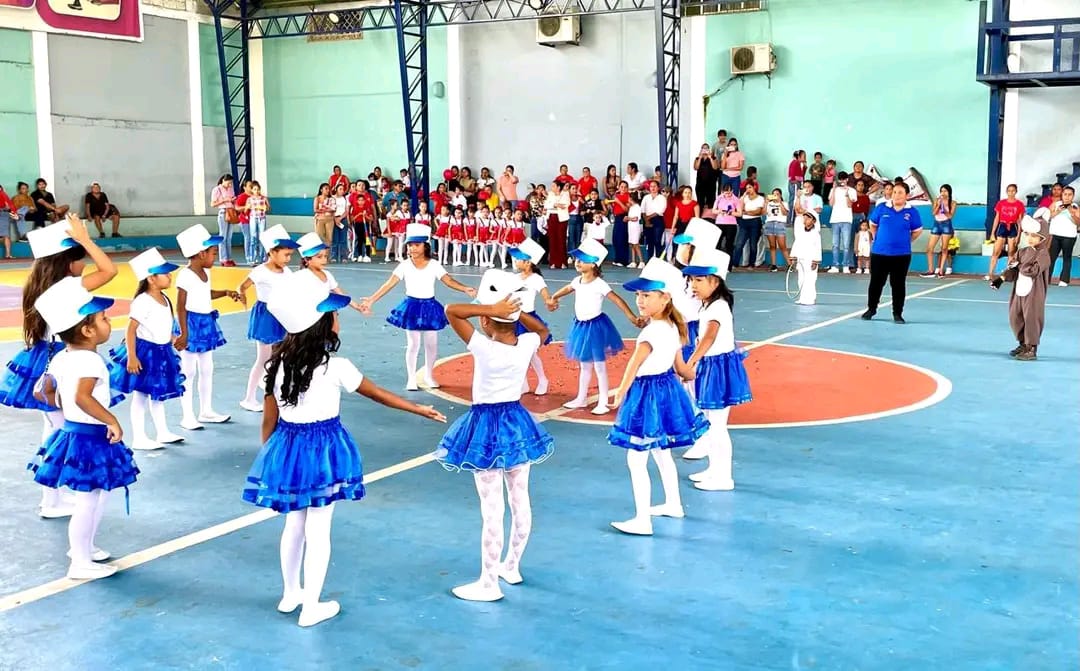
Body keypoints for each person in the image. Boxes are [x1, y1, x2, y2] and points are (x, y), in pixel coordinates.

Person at [243, 274, 445, 626]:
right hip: (323, 451)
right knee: (318, 528)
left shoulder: (275, 366)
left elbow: (268, 421)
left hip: (287, 447)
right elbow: (379, 395)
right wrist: (418, 409)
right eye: (333, 314)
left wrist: (272, 457)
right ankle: (312, 606)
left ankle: (291, 594)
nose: (338, 318)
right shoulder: (337, 367)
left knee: (294, 522)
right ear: (321, 325)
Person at [436, 270, 555, 601]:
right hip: (517, 423)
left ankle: (488, 583)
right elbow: (542, 331)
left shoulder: (483, 347)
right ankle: (511, 566)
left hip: (486, 427)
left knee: (492, 509)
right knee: (520, 498)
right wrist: (517, 311)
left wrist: (492, 308)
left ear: (486, 322)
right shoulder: (527, 343)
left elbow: (452, 311)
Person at [2, 217, 117, 518]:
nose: (84, 264)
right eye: (80, 258)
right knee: (64, 430)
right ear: (67, 263)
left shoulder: (38, 285)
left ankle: (52, 497)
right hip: (61, 361)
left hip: (44, 359)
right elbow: (109, 270)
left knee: (53, 427)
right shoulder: (69, 286)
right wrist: (87, 239)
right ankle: (54, 498)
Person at [30, 277, 138, 580]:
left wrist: (65, 409)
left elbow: (44, 391)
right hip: (90, 437)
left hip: (74, 432)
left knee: (93, 497)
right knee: (89, 500)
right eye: (103, 318)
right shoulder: (90, 360)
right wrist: (111, 420)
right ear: (87, 330)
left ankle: (84, 548)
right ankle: (79, 560)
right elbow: (83, 397)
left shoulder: (62, 356)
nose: (109, 321)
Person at [608, 259, 708, 536]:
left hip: (647, 395)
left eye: (647, 295)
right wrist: (694, 372)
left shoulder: (651, 331)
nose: (640, 300)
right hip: (666, 390)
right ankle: (673, 503)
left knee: (636, 459)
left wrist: (621, 391)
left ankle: (642, 519)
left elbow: (634, 365)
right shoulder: (674, 327)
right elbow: (681, 368)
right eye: (639, 295)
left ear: (665, 298)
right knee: (662, 453)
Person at [359, 224, 476, 390]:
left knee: (431, 344)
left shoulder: (434, 264)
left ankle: (429, 375)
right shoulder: (405, 265)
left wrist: (465, 288)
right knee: (413, 344)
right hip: (412, 307)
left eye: (416, 245)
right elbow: (389, 284)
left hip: (430, 307)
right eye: (410, 245)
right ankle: (411, 378)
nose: (412, 248)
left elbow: (448, 280)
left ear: (425, 246)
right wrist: (372, 299)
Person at [681, 246, 752, 490]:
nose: (693, 285)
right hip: (712, 366)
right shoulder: (708, 305)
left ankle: (724, 477)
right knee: (711, 424)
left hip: (719, 369)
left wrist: (691, 361)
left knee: (718, 426)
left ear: (716, 281)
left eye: (699, 280)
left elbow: (709, 337)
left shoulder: (718, 307)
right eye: (692, 279)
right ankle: (714, 469)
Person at [547, 239, 641, 415]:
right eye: (577, 259)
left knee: (599, 365)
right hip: (581, 327)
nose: (578, 262)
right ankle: (581, 397)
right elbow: (568, 288)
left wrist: (631, 316)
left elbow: (617, 299)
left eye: (582, 260)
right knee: (584, 365)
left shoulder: (599, 284)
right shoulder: (577, 280)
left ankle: (604, 401)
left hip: (595, 328)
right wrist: (554, 297)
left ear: (593, 265)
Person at [107, 248, 185, 451]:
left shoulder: (164, 298)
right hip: (146, 353)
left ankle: (162, 432)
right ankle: (139, 437)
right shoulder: (143, 301)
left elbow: (161, 326)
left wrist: (172, 339)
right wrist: (132, 357)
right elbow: (130, 330)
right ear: (151, 278)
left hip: (162, 352)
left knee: (157, 393)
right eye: (164, 273)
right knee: (141, 395)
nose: (169, 276)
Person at [174, 224, 244, 429]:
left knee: (207, 368)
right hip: (190, 324)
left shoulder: (205, 272)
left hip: (205, 322)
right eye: (213, 253)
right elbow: (180, 306)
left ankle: (206, 410)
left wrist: (225, 292)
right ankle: (187, 415)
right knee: (188, 371)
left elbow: (205, 293)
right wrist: (184, 333)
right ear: (201, 253)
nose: (215, 256)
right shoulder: (186, 275)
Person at [237, 225, 298, 412]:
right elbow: (242, 286)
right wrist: (242, 295)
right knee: (263, 357)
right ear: (272, 252)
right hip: (266, 316)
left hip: (282, 315)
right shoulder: (260, 271)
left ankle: (278, 390)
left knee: (281, 355)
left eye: (290, 255)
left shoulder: (287, 272)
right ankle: (248, 398)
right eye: (286, 255)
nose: (288, 259)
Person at [991, 216, 1051, 360]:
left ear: (1043, 237)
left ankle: (1031, 347)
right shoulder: (1022, 252)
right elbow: (1013, 269)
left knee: (1032, 318)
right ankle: (1023, 343)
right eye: (1028, 234)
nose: (1030, 238)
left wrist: (1020, 266)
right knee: (1015, 316)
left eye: (1035, 236)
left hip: (1034, 293)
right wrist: (1001, 279)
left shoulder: (1043, 254)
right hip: (1019, 291)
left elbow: (1034, 271)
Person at [863, 182, 923, 324]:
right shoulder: (882, 208)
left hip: (901, 255)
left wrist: (906, 241)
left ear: (907, 195)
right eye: (894, 192)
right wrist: (877, 238)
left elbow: (917, 231)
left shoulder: (912, 212)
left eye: (900, 192)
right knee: (876, 283)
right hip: (879, 253)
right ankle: (871, 309)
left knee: (898, 285)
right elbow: (873, 224)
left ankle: (897, 313)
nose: (896, 195)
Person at [509, 239, 554, 396]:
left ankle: (542, 380)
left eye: (519, 259)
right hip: (514, 319)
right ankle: (524, 384)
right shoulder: (514, 278)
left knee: (530, 353)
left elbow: (545, 295)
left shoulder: (536, 279)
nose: (515, 261)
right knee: (516, 353)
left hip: (528, 321)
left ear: (528, 263)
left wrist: (549, 302)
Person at [791, 211, 822, 306]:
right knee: (801, 279)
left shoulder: (816, 234)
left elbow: (818, 248)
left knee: (810, 280)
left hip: (810, 260)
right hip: (801, 259)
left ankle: (810, 299)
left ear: (813, 221)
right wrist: (794, 257)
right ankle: (802, 298)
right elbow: (796, 244)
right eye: (804, 218)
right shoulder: (800, 232)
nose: (805, 220)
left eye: (808, 218)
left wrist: (815, 261)